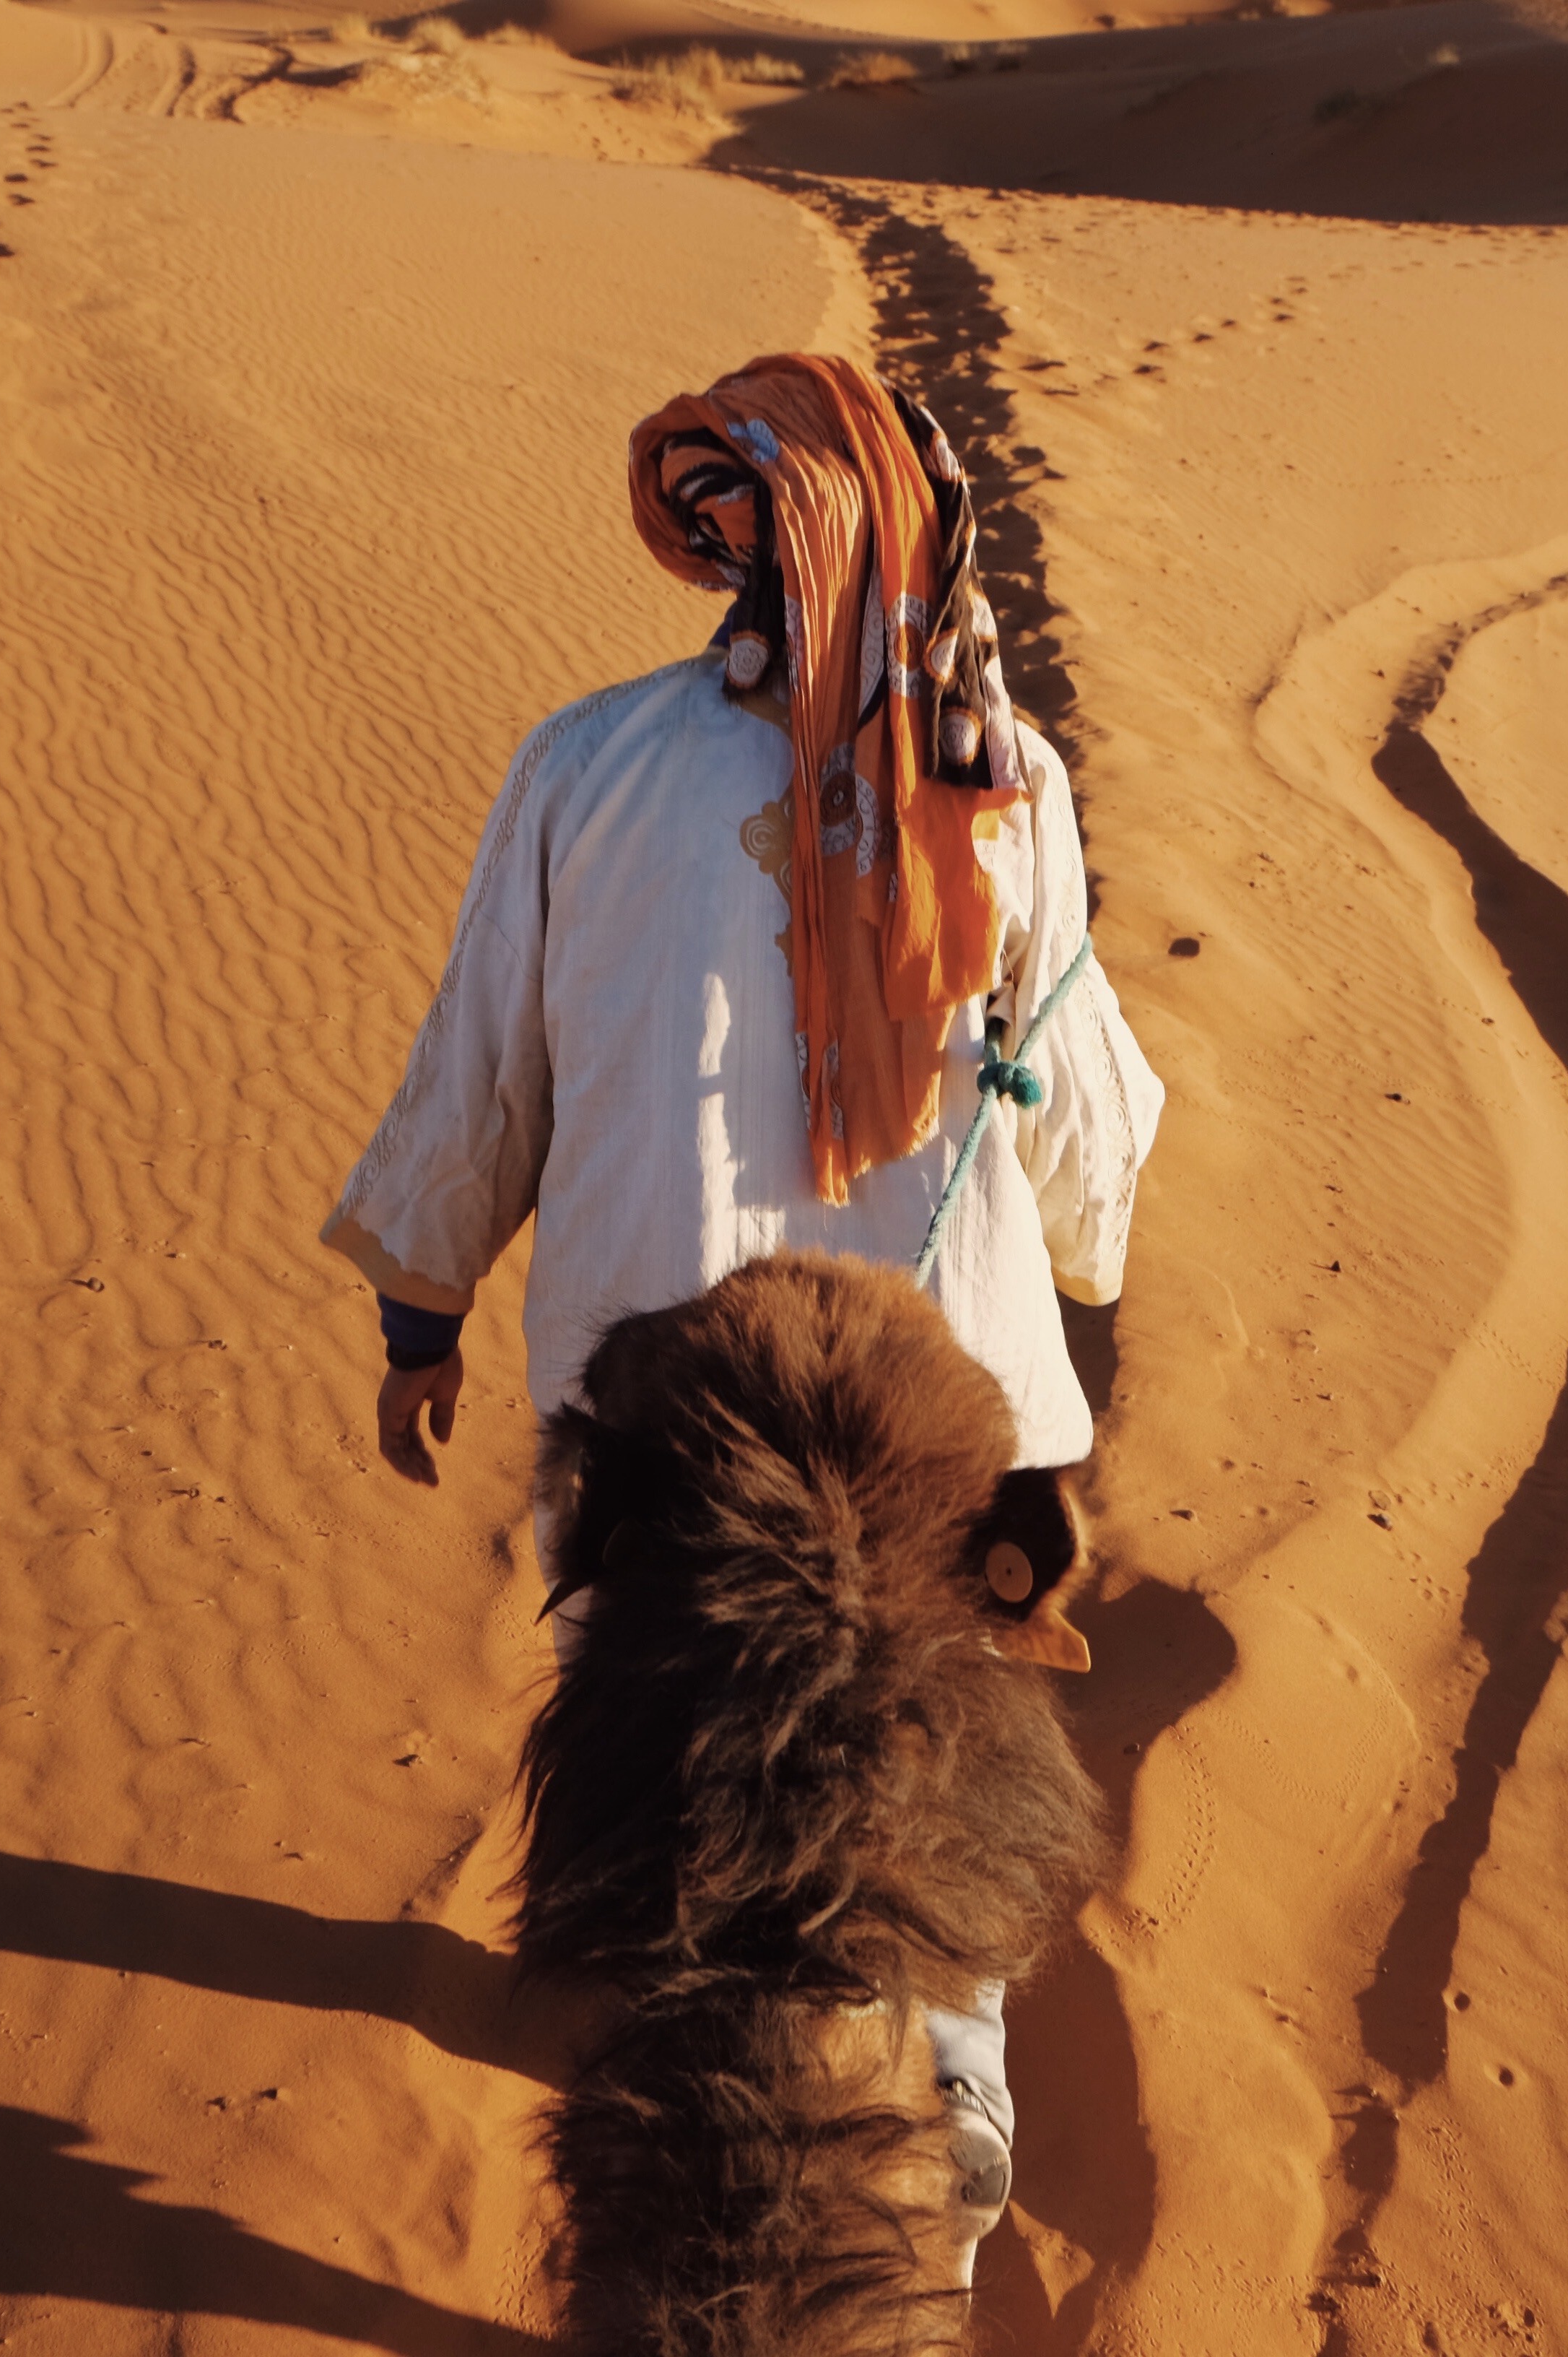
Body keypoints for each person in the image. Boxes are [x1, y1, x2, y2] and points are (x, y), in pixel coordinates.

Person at [323, 352, 1164, 2294]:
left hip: (660, 1424)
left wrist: (419, 1310)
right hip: (936, 1423)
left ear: (740, 560)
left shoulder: (587, 763)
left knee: (678, 1780)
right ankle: (934, 2170)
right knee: (920, 1814)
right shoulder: (999, 778)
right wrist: (1080, 1256)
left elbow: (489, 1073)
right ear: (925, 542)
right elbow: (1081, 1101)